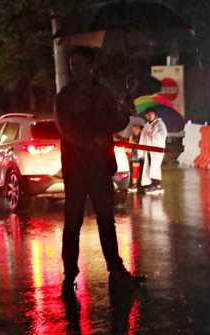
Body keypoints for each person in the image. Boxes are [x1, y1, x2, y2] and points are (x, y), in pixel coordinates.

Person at [54, 46, 146, 295]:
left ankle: (116, 269)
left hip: (101, 166)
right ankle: (70, 274)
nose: (76, 69)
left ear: (92, 66)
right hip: (76, 168)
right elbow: (66, 130)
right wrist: (92, 142)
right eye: (73, 65)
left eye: (81, 64)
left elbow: (114, 124)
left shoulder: (102, 93)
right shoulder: (65, 96)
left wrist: (125, 112)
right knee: (73, 221)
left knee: (107, 220)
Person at [139, 108, 167, 194]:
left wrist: (153, 134)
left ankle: (157, 185)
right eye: (147, 115)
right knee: (150, 166)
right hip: (149, 150)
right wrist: (141, 148)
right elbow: (143, 137)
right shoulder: (147, 125)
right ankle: (151, 184)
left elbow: (163, 134)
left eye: (151, 114)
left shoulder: (159, 123)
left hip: (157, 149)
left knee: (155, 166)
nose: (149, 116)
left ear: (154, 114)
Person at [128, 124, 144, 192]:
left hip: (142, 154)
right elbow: (130, 145)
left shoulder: (143, 137)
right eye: (134, 128)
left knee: (142, 170)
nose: (135, 130)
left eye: (137, 128)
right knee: (135, 169)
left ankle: (141, 184)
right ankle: (134, 184)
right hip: (135, 154)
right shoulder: (132, 137)